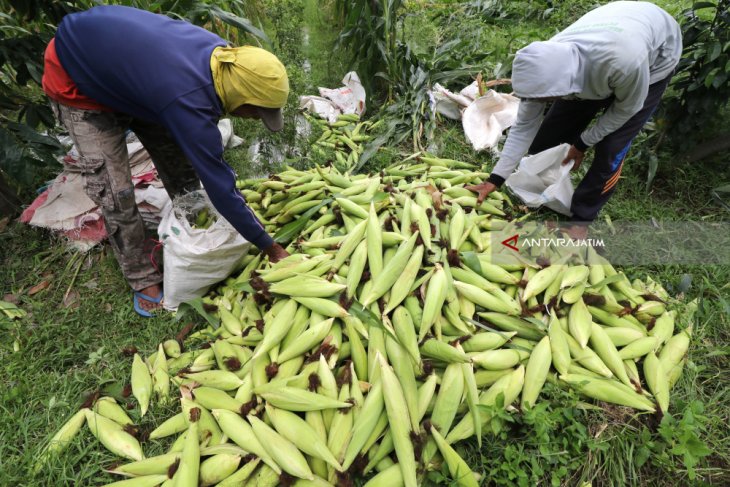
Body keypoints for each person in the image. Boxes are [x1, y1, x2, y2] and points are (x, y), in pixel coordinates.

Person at [41, 5, 291, 317]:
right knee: (114, 189)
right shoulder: (187, 101)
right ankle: (142, 276)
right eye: (257, 111)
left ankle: (192, 221)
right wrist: (271, 247)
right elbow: (220, 185)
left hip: (133, 79)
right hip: (77, 76)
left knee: (176, 157)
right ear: (240, 94)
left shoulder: (223, 62)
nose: (256, 118)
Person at [467, 1, 682, 239]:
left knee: (612, 147)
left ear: (564, 85)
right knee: (547, 137)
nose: (544, 101)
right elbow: (524, 127)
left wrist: (583, 143)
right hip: (608, 39)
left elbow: (626, 110)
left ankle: (582, 219)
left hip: (653, 58)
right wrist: (495, 179)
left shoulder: (623, 63)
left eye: (547, 97)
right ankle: (545, 190)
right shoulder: (545, 61)